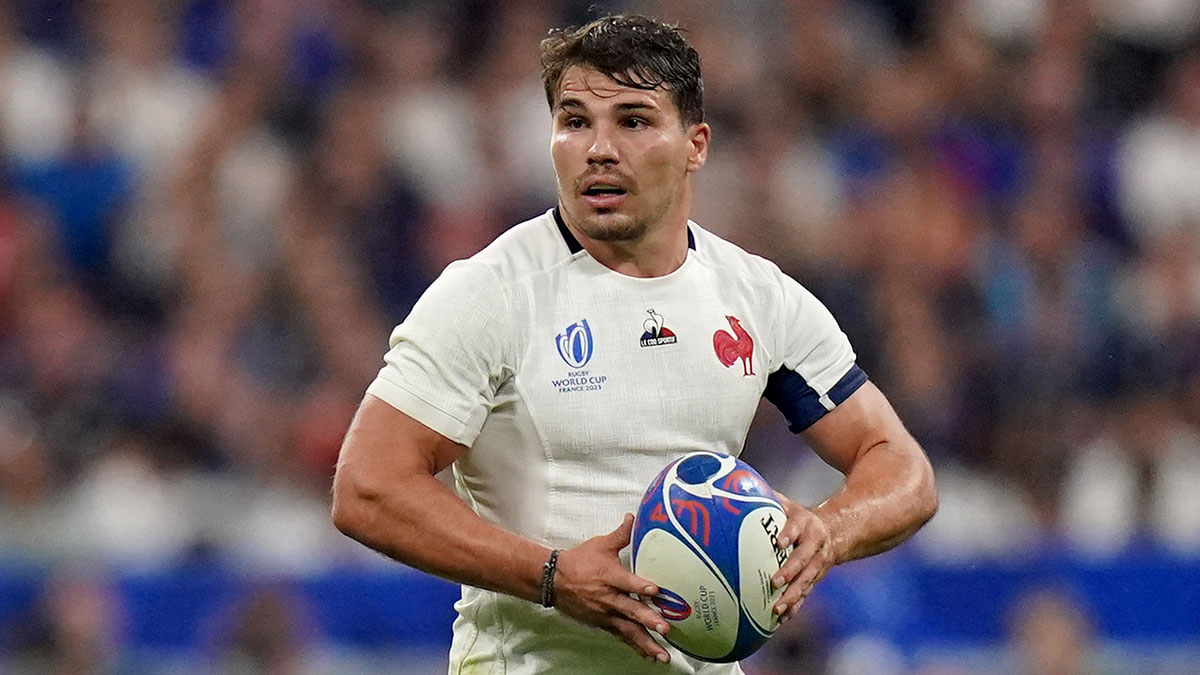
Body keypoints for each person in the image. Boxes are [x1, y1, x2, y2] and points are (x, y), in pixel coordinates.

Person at [331, 14, 937, 674]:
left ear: (695, 144)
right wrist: (552, 575)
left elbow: (902, 469)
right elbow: (367, 485)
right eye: (574, 120)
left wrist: (828, 530)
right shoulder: (491, 294)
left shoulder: (759, 299)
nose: (598, 147)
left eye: (633, 120)